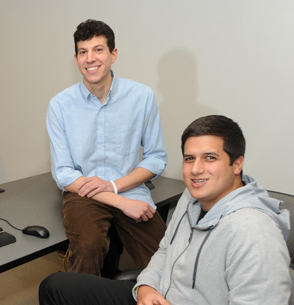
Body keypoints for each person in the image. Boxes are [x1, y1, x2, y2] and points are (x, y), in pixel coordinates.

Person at [39, 115, 292, 305]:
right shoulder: (192, 197)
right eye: (189, 158)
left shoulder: (254, 233)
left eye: (210, 158)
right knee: (55, 286)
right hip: (160, 295)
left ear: (237, 165)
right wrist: (146, 286)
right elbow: (165, 250)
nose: (196, 169)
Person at [46, 19, 168, 276]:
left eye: (98, 50)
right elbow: (64, 174)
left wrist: (114, 187)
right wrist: (118, 202)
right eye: (83, 52)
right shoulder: (59, 105)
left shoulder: (141, 96)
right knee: (88, 247)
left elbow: (156, 158)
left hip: (129, 188)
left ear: (113, 54)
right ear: (77, 58)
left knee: (167, 259)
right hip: (83, 194)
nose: (90, 58)